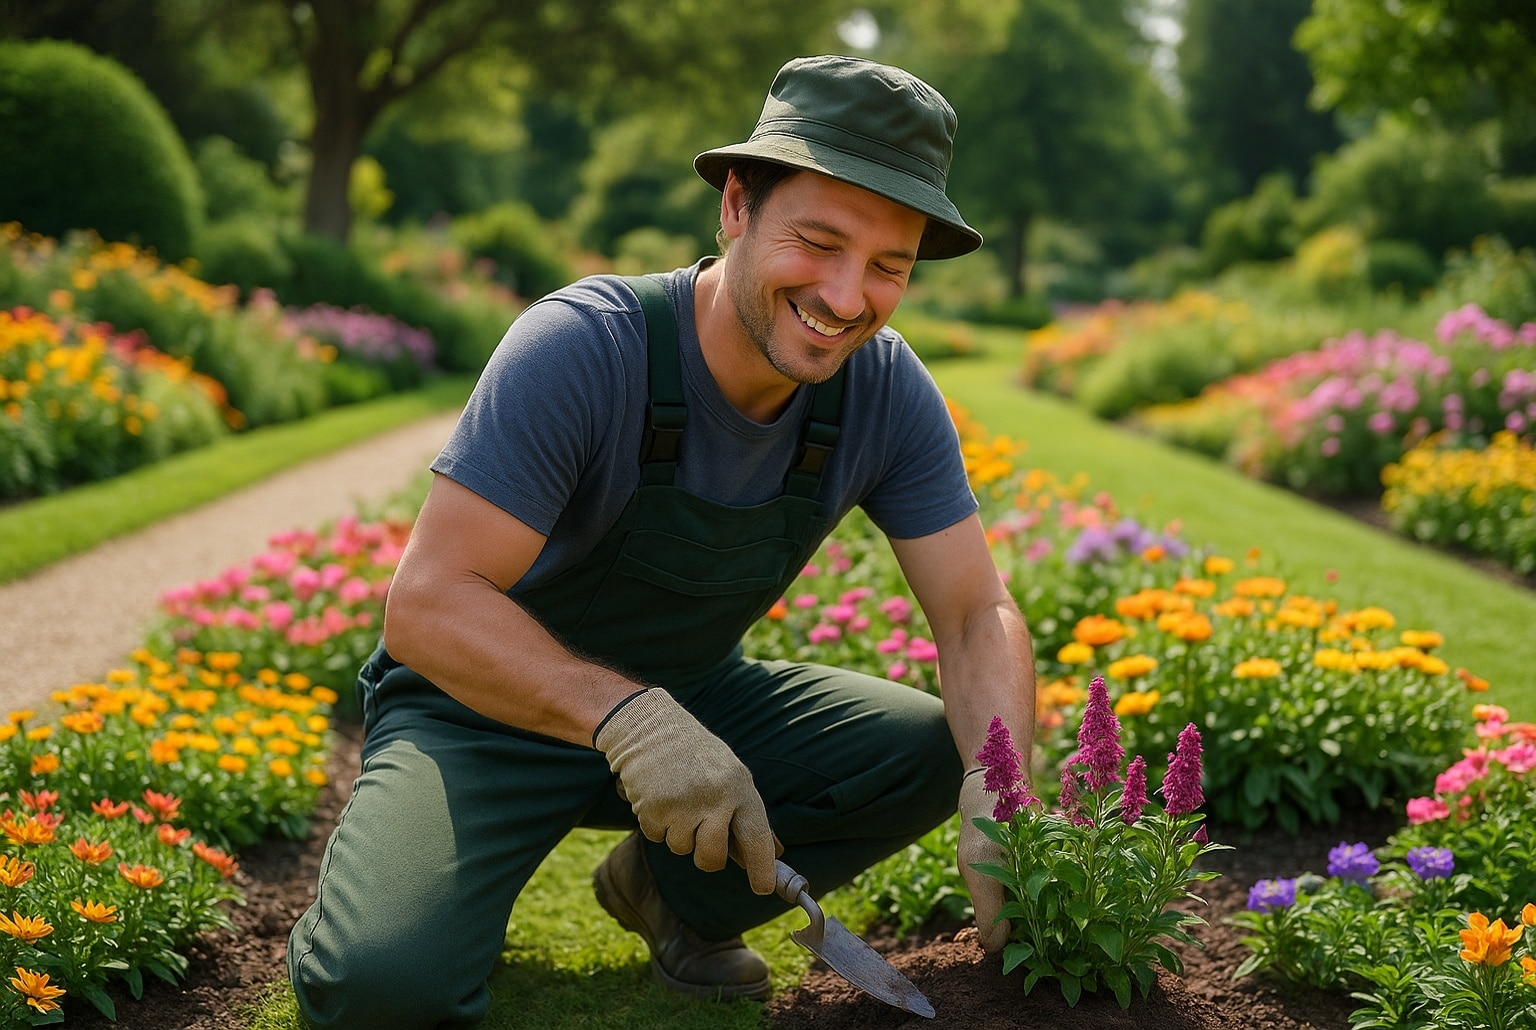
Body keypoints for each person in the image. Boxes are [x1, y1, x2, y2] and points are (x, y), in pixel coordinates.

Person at [287, 54, 1036, 1028]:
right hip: (475, 717)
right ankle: (385, 903)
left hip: (695, 700)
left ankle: (665, 891)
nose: (849, 297)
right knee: (384, 987)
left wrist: (1001, 793)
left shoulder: (885, 390)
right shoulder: (586, 347)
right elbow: (429, 602)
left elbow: (979, 612)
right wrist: (631, 721)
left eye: (889, 265)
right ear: (736, 205)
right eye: (818, 242)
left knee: (931, 748)